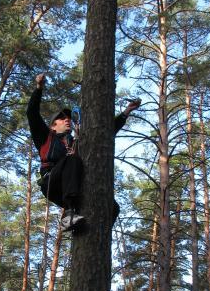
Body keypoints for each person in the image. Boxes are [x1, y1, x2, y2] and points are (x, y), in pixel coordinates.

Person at [26, 73, 140, 231]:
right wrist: (39, 88)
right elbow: (32, 114)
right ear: (52, 126)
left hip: (73, 186)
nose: (66, 119)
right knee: (72, 160)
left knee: (112, 206)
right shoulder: (45, 138)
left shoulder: (76, 141)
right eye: (60, 118)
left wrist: (126, 112)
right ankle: (68, 215)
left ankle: (100, 237)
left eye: (68, 118)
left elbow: (105, 134)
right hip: (52, 181)